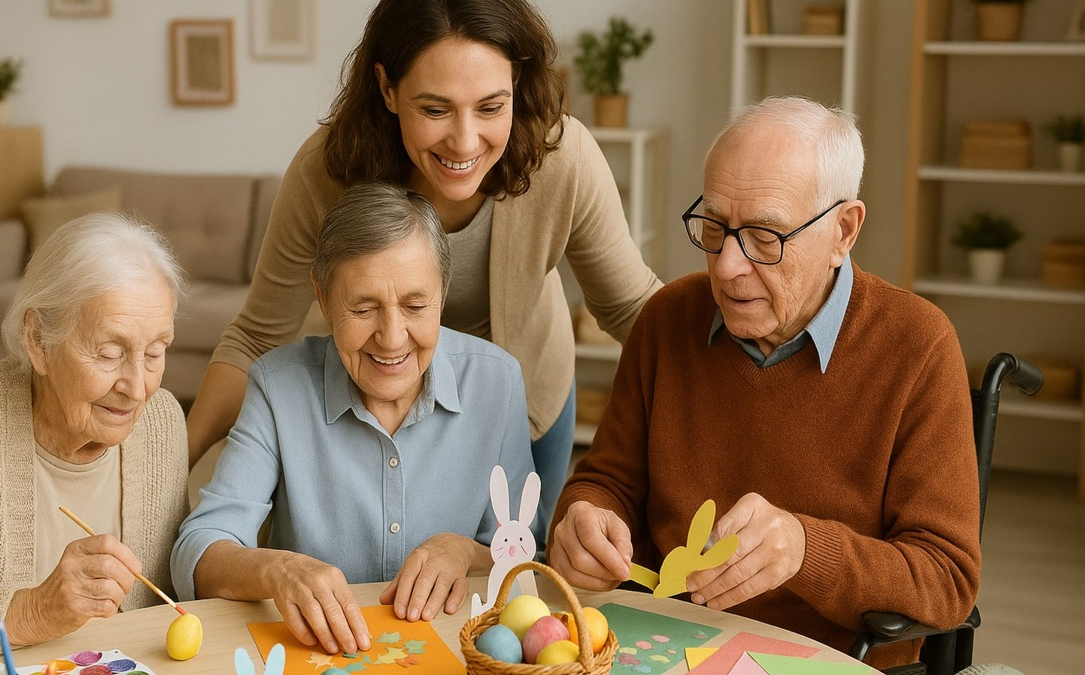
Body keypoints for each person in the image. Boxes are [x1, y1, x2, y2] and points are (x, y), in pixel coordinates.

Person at [184, 0, 663, 548]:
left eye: (490, 107)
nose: (464, 142)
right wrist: (175, 468)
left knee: (505, 582)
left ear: (519, 81)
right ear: (387, 88)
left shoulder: (563, 157)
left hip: (525, 403)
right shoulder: (328, 170)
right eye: (435, 110)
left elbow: (634, 310)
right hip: (375, 401)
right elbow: (256, 336)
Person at [546, 97, 981, 670]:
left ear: (843, 231)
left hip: (833, 660)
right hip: (660, 648)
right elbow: (609, 482)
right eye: (715, 227)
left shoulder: (919, 346)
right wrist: (583, 516)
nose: (726, 266)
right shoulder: (666, 319)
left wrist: (807, 551)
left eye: (764, 236)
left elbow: (947, 581)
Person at [171, 183, 536, 656]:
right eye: (363, 309)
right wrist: (277, 569)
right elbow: (197, 549)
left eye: (415, 306)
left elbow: (529, 557)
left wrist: (465, 551)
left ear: (443, 294)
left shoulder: (498, 381)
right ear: (322, 299)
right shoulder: (276, 385)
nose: (391, 337)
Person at [0, 213, 190, 665]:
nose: (138, 387)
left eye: (154, 353)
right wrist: (28, 612)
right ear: (38, 341)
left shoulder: (162, 421)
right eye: (110, 353)